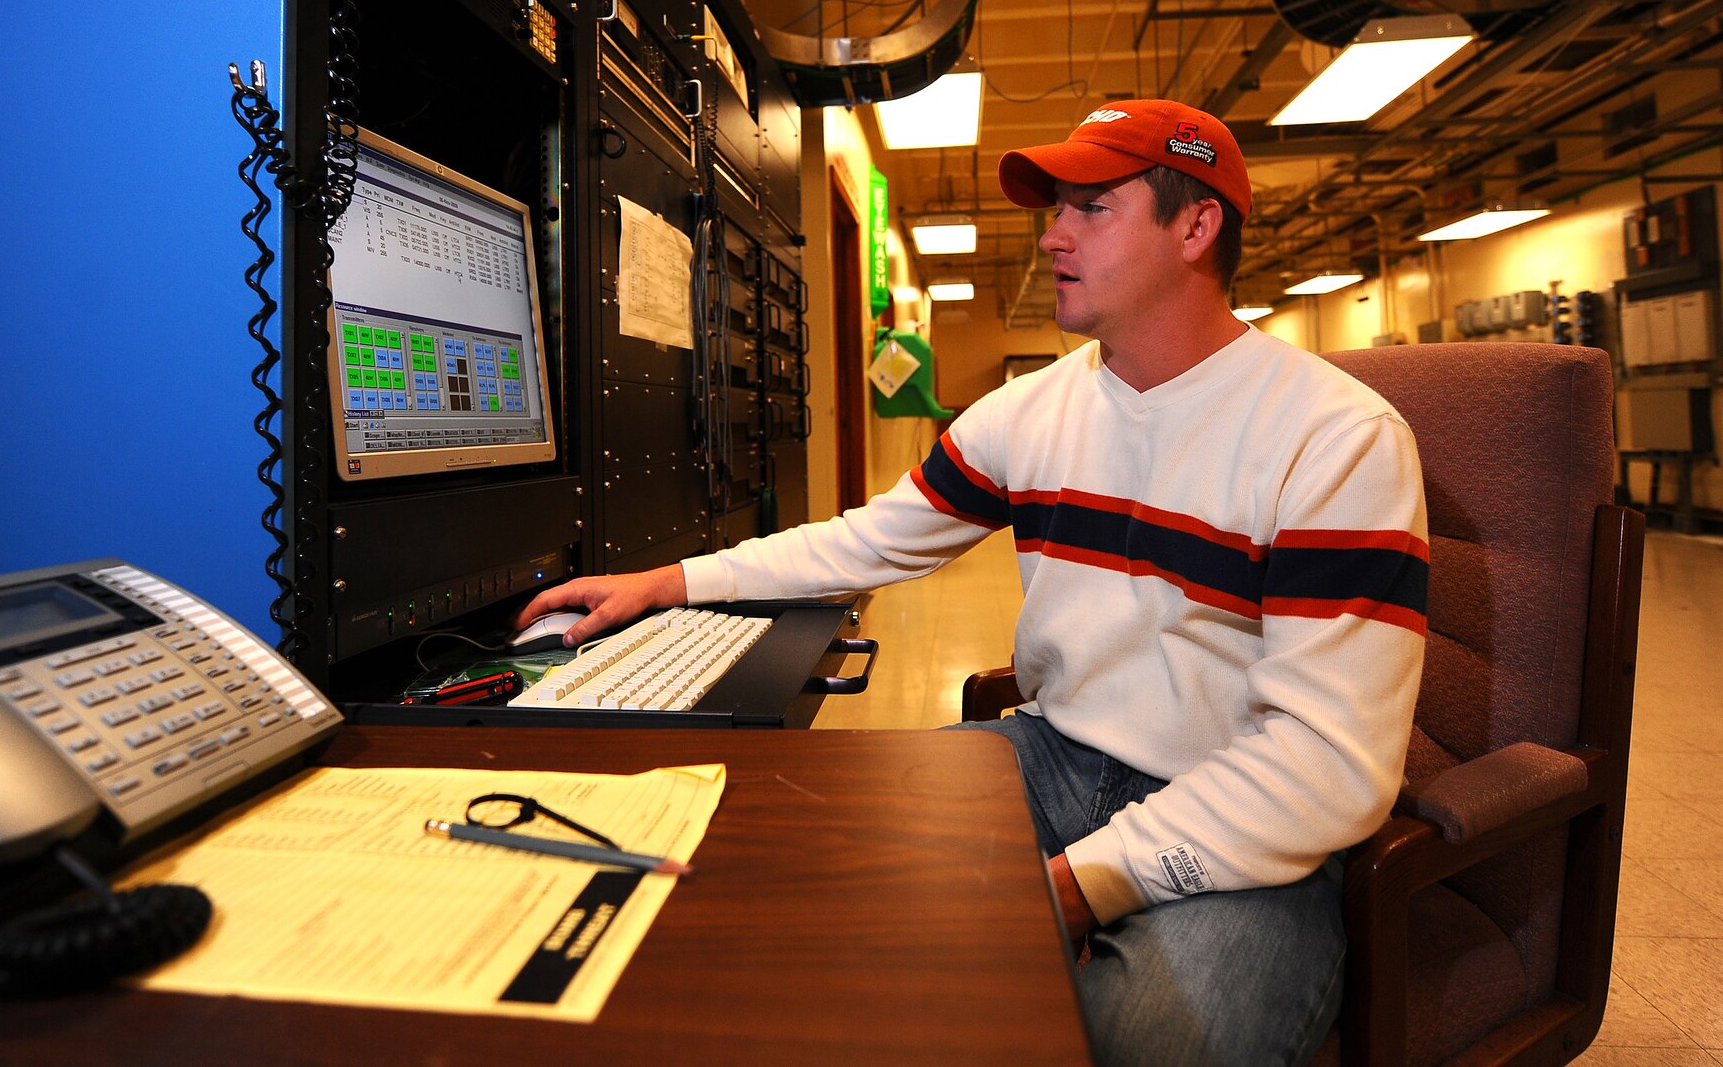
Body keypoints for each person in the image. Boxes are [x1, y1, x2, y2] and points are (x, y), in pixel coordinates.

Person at [514, 99, 1427, 1067]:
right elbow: (870, 541)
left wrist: (1071, 886)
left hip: (1243, 808)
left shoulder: (1332, 437)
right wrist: (667, 581)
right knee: (778, 881)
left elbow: (1323, 761)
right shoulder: (1029, 411)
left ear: (1195, 225)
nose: (1053, 233)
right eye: (1055, 207)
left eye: (1090, 207)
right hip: (1051, 756)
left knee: (1136, 1046)